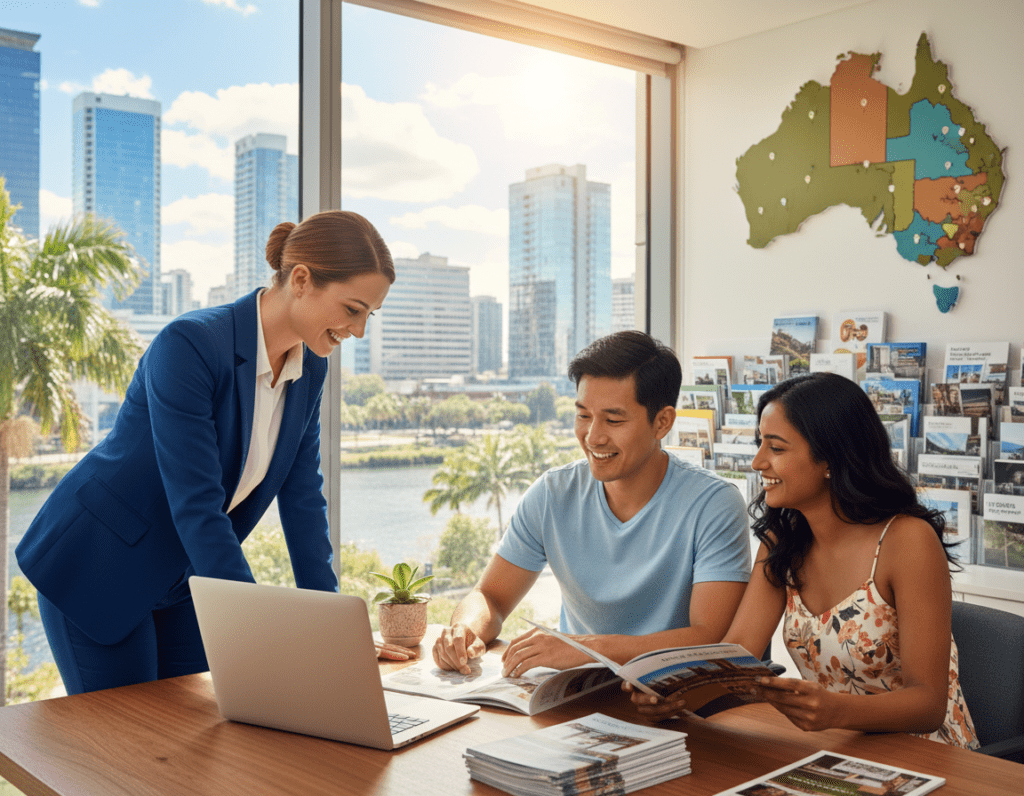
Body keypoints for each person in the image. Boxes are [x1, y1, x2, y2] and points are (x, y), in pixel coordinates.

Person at [17, 210, 412, 696]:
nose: (359, 331)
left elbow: (304, 500)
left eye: (369, 315)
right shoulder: (191, 345)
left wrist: (334, 634)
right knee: (128, 750)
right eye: (352, 309)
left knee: (203, 745)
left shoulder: (310, 371)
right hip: (100, 565)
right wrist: (256, 631)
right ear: (303, 280)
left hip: (185, 578)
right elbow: (198, 505)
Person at [629, 372, 978, 749]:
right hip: (840, 746)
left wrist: (837, 712)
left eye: (776, 449)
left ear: (830, 457)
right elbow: (736, 656)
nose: (758, 462)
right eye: (760, 444)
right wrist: (675, 698)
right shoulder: (783, 540)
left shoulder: (907, 541)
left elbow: (927, 704)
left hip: (929, 755)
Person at [432, 330, 752, 677]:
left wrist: (588, 649)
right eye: (583, 415)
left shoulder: (714, 504)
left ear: (662, 422)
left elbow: (709, 637)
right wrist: (463, 629)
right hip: (576, 693)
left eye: (613, 420)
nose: (593, 436)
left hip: (674, 699)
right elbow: (491, 597)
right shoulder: (552, 493)